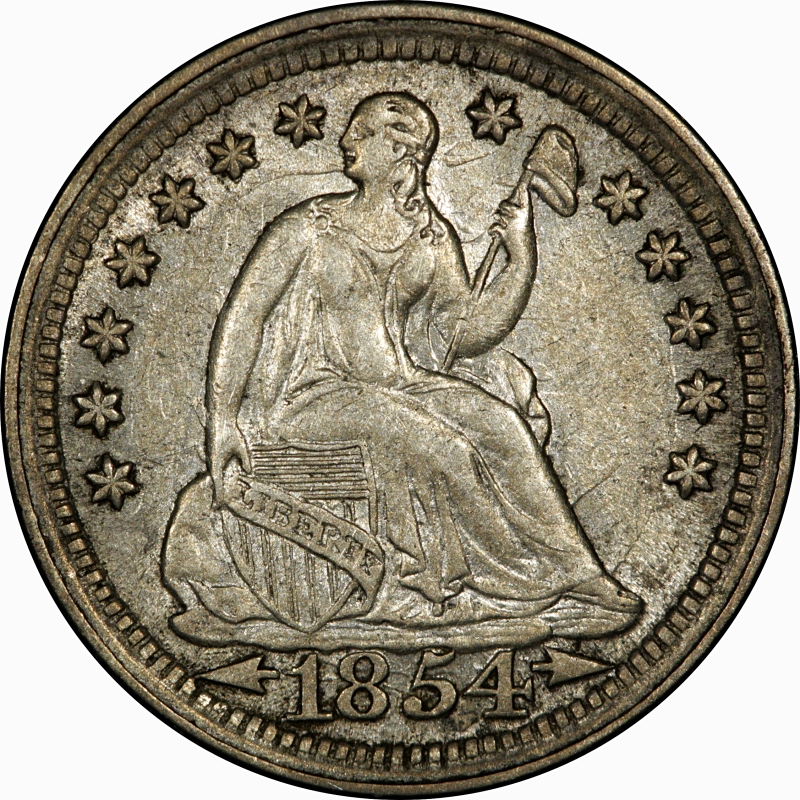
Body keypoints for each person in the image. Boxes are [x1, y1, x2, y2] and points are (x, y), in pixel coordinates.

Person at [163, 92, 641, 645]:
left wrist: (520, 252)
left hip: (402, 383)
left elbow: (467, 333)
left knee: (503, 426)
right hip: (308, 397)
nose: (346, 141)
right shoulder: (308, 227)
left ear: (399, 152)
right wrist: (223, 420)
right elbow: (243, 316)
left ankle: (579, 573)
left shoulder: (429, 235)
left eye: (362, 132)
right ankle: (519, 584)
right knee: (444, 446)